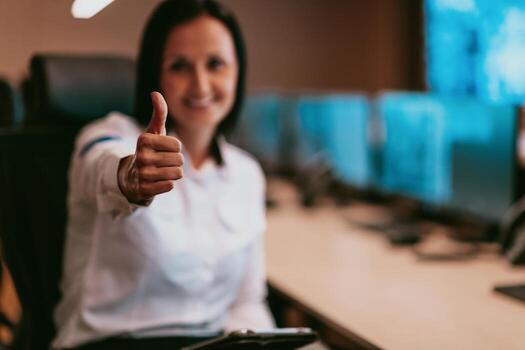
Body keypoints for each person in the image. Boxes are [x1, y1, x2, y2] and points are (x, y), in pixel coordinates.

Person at [52, 0, 275, 349]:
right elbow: (102, 165)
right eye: (180, 66)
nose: (201, 85)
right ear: (155, 73)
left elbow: (246, 302)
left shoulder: (247, 174)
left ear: (238, 72)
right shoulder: (109, 135)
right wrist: (130, 176)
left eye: (215, 64)